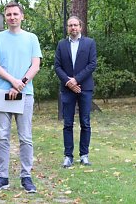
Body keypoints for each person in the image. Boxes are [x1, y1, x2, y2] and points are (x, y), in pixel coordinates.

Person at [0, 2, 42, 193]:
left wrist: (21, 84)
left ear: (22, 16)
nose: (12, 17)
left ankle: (26, 176)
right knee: (2, 136)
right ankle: (3, 176)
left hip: (25, 94)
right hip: (3, 92)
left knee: (25, 137)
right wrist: (13, 82)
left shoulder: (31, 38)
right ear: (5, 17)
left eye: (15, 14)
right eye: (8, 14)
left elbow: (35, 65)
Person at [54, 16, 97, 168]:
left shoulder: (89, 43)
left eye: (75, 25)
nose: (73, 28)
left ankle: (84, 155)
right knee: (67, 123)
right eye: (70, 25)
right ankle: (68, 156)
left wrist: (76, 80)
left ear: (81, 26)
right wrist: (69, 82)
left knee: (85, 122)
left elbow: (92, 64)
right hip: (67, 89)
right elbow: (57, 66)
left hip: (85, 88)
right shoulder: (61, 45)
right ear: (67, 28)